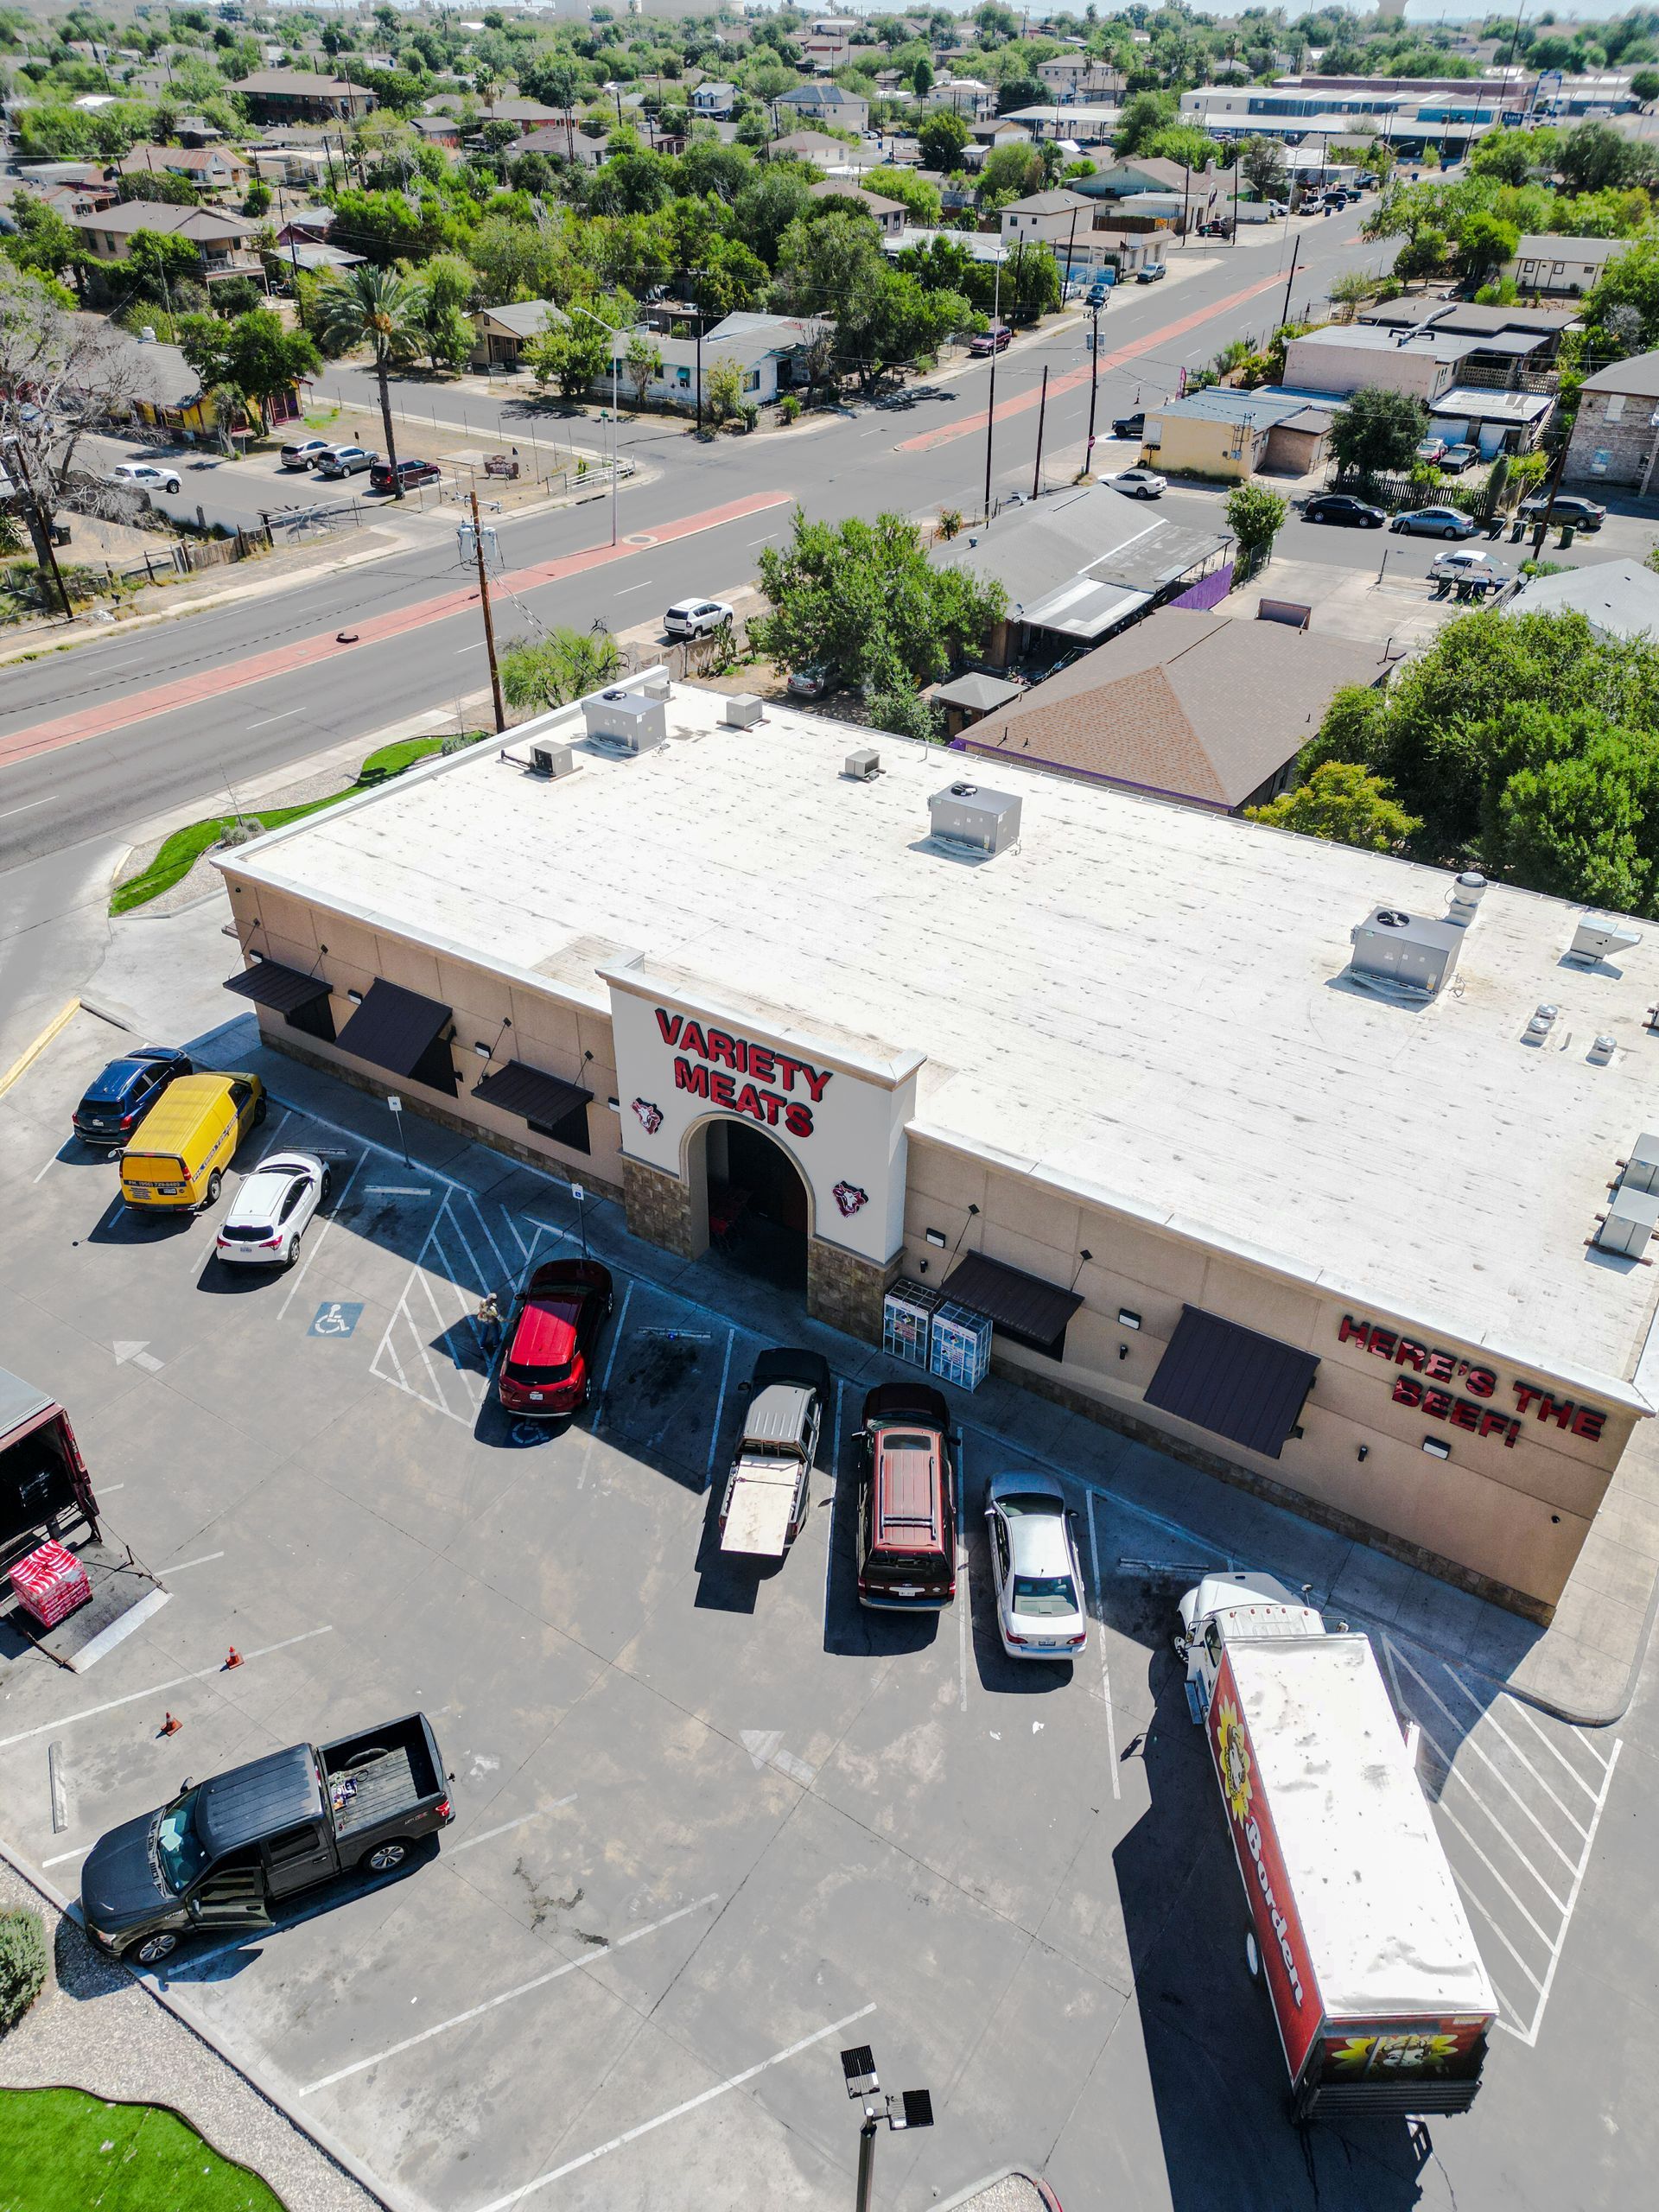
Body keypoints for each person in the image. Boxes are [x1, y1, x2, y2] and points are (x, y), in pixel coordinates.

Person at [477, 1291, 502, 1359]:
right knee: (495, 1331)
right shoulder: (493, 1307)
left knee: (484, 1332)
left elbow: (480, 1309)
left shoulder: (482, 1301)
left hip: (484, 1320)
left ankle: (482, 1345)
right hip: (492, 1322)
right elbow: (497, 1315)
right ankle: (495, 1343)